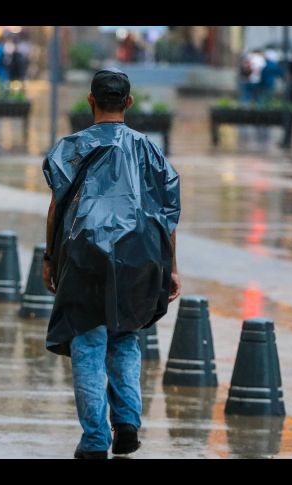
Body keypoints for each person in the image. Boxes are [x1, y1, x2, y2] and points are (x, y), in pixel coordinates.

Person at [42, 68, 181, 459]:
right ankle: (127, 423)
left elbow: (56, 209)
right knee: (124, 337)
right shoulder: (149, 150)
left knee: (87, 341)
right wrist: (170, 266)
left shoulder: (70, 147)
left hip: (84, 254)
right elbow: (167, 212)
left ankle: (94, 439)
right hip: (139, 257)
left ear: (90, 100)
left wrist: (50, 257)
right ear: (129, 103)